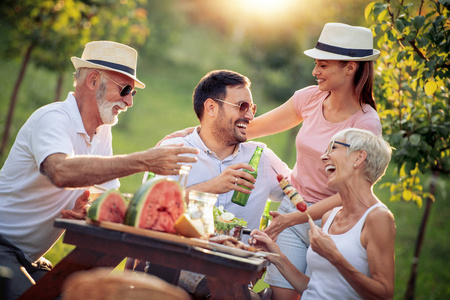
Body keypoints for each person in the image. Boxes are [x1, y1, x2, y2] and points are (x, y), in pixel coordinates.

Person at [160, 23, 383, 300]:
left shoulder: (365, 123)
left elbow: (354, 194)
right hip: (294, 207)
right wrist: (193, 132)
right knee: (283, 296)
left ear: (350, 67)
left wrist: (293, 218)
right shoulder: (309, 98)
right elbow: (248, 127)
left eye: (323, 65)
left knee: (320, 293)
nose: (315, 72)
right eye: (316, 64)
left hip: (330, 217)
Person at [0, 40, 198, 300]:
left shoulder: (102, 132)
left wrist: (90, 209)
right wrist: (144, 160)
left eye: (133, 93)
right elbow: (60, 171)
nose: (129, 101)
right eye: (125, 89)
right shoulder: (53, 118)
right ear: (93, 80)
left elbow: (107, 197)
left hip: (31, 259)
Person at [156, 69, 290, 299]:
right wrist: (213, 186)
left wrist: (278, 229)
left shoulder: (262, 158)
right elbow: (154, 206)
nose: (249, 116)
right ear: (211, 107)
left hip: (236, 278)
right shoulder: (174, 150)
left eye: (252, 108)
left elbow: (300, 195)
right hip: (177, 270)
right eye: (241, 106)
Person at [250, 128, 395, 299]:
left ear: (358, 157)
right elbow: (312, 289)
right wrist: (276, 256)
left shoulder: (378, 218)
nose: (323, 157)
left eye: (333, 148)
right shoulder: (330, 217)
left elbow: (384, 294)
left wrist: (335, 257)